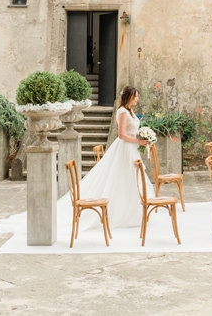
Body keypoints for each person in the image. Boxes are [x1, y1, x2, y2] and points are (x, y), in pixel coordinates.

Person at [59, 85, 153, 227]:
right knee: (125, 178)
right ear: (129, 97)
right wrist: (138, 140)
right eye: (136, 97)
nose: (138, 99)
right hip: (125, 148)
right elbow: (122, 135)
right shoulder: (122, 112)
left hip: (132, 148)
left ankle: (132, 211)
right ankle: (121, 213)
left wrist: (142, 137)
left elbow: (131, 131)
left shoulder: (131, 112)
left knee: (132, 178)